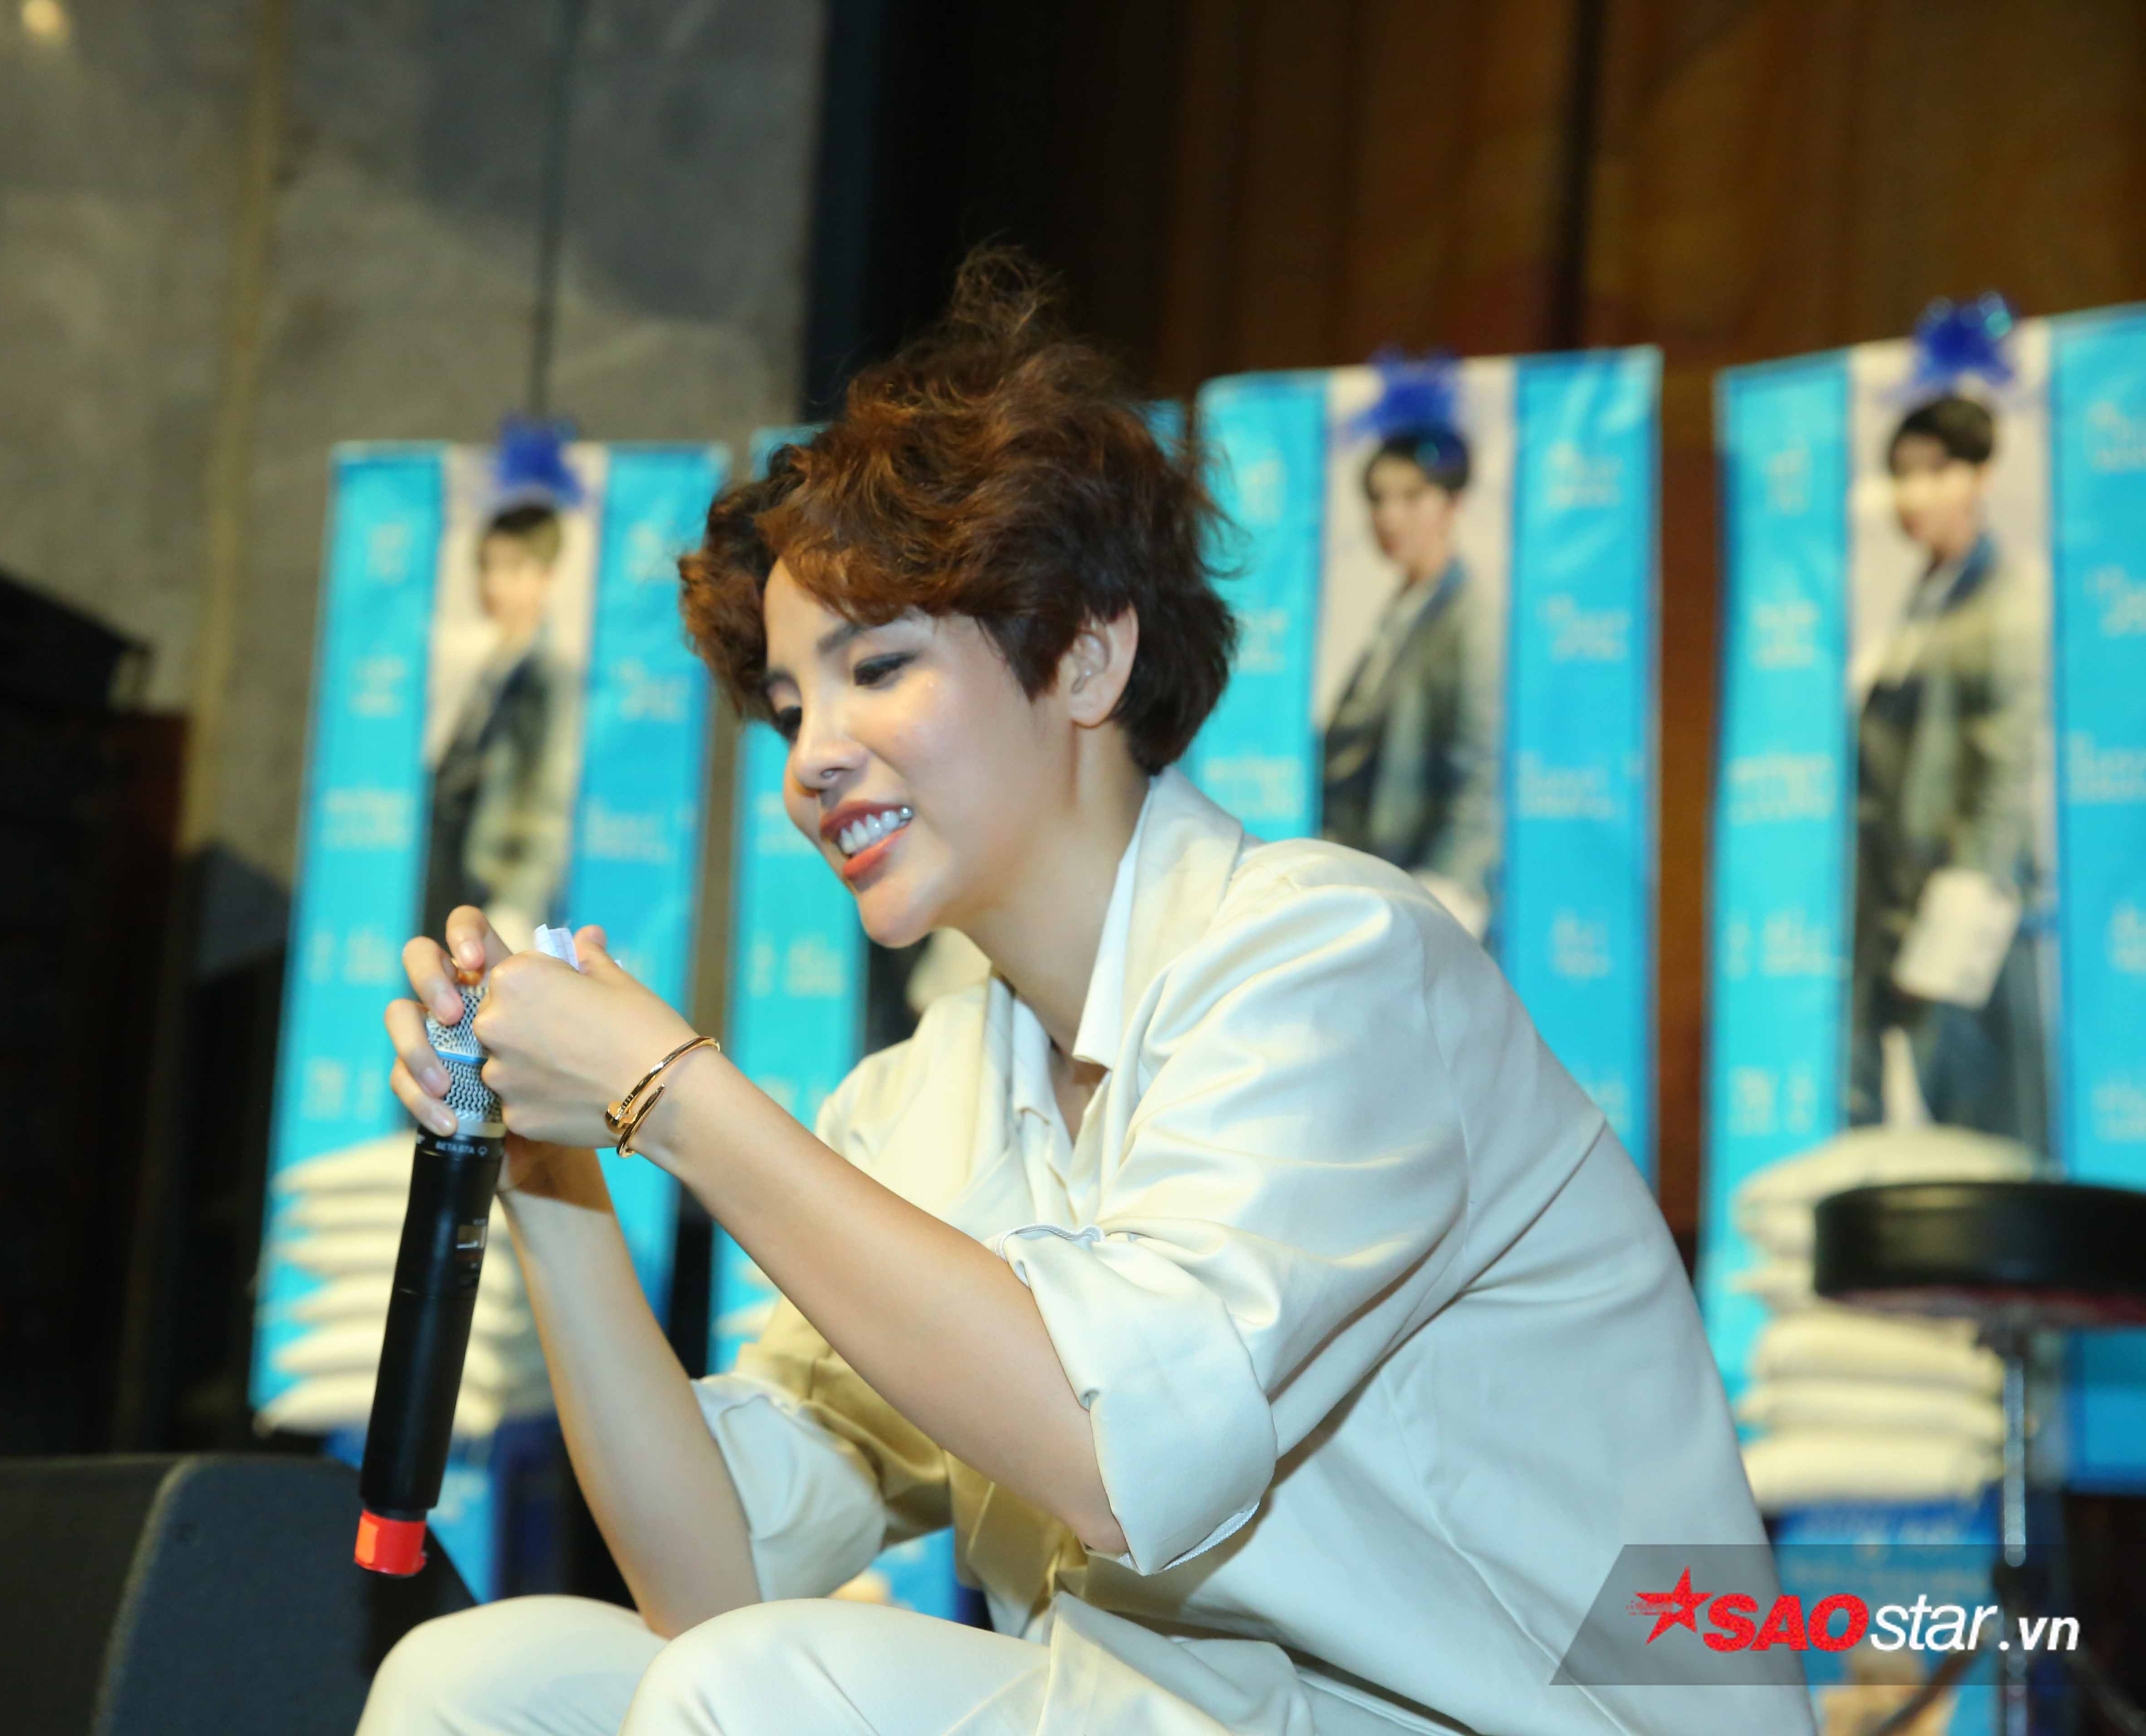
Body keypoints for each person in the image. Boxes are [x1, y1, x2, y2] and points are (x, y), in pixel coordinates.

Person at [362, 256, 1802, 1736]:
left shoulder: (1335, 965)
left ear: (1090, 655)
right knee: (476, 1683)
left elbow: (1119, 1455)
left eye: (880, 666)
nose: (814, 758)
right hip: (1167, 1709)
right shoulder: (923, 1101)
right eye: (791, 708)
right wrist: (548, 1170)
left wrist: (670, 1094)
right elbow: (712, 1578)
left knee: (763, 1690)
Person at [1844, 394, 2050, 1149]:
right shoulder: (1917, 602)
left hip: (1963, 916)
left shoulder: (2007, 603)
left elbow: (2005, 775)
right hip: (1891, 905)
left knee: (1990, 1137)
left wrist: (1956, 919)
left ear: (1981, 476)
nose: (1914, 494)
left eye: (1936, 472)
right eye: (1901, 474)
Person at [1319, 422, 1501, 941]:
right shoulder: (1402, 612)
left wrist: (1446, 890)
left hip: (1425, 905)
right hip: (1368, 886)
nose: (1390, 516)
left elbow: (1481, 767)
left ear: (1453, 504)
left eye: (1412, 497)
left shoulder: (1470, 616)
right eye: (1379, 499)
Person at [421, 499, 581, 943]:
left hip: (495, 905)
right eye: (486, 566)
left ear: (547, 576)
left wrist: (515, 905)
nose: (493, 583)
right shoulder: (492, 668)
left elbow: (547, 801)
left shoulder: (547, 676)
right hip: (449, 894)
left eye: (512, 568)